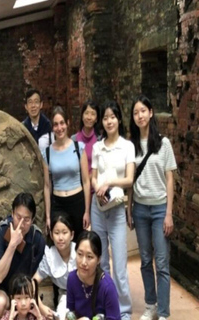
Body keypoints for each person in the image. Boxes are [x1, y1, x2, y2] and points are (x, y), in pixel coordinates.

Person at [128, 95, 177, 320]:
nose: (139, 116)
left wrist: (168, 214)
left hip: (159, 210)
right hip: (140, 209)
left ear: (151, 112)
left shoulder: (163, 143)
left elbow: (169, 180)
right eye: (136, 112)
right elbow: (130, 180)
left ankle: (164, 312)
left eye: (143, 111)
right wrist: (129, 208)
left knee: (162, 262)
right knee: (145, 260)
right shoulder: (132, 145)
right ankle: (151, 305)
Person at [90, 101, 134, 320]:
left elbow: (129, 178)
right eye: (105, 117)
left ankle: (124, 311)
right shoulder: (98, 147)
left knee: (119, 263)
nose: (108, 121)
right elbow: (93, 174)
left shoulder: (127, 146)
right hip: (98, 207)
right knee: (102, 261)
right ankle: (105, 306)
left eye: (112, 116)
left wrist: (109, 183)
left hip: (116, 209)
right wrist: (97, 185)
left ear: (118, 119)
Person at [0, 192, 46, 319]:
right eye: (18, 217)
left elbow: (34, 279)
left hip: (23, 291)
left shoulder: (37, 239)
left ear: (33, 220)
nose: (21, 224)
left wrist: (38, 304)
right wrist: (12, 244)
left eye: (27, 219)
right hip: (1, 286)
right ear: (12, 214)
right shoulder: (0, 232)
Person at [42, 106, 91, 241]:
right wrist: (47, 216)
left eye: (62, 123)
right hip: (58, 204)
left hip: (77, 201)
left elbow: (86, 181)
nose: (59, 128)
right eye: (56, 124)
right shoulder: (47, 153)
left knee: (79, 244)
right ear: (52, 127)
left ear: (67, 123)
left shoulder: (79, 147)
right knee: (60, 244)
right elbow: (47, 186)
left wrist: (87, 211)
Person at [67, 230, 120, 320]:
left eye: (89, 257)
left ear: (98, 259)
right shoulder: (72, 278)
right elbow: (71, 313)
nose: (83, 262)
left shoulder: (107, 286)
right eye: (80, 254)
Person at [34, 213, 76, 320]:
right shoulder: (49, 256)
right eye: (56, 233)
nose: (60, 238)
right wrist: (40, 305)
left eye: (65, 232)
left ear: (72, 235)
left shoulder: (79, 251)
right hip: (66, 295)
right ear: (52, 235)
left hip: (86, 294)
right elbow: (32, 283)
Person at [72, 100, 101, 173]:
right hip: (78, 183)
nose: (89, 117)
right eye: (86, 113)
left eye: (93, 114)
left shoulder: (100, 140)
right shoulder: (74, 139)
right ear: (82, 116)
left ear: (96, 119)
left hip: (96, 182)